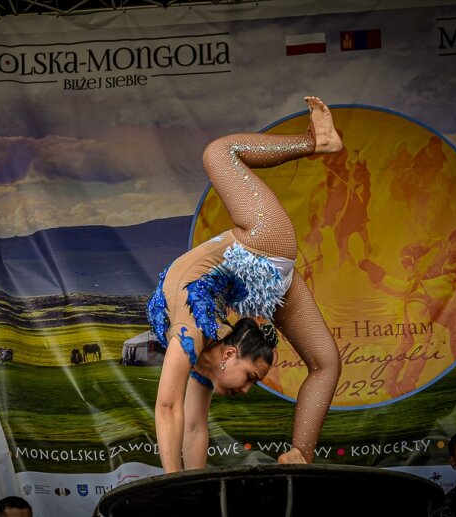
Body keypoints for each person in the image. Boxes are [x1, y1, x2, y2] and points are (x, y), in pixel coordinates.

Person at [147, 96, 343, 473]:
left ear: (230, 355)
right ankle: (300, 454)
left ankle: (316, 142)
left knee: (220, 152)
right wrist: (186, 492)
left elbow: (167, 407)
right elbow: (192, 426)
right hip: (264, 278)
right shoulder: (206, 358)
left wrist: (168, 485)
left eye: (252, 378)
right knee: (327, 363)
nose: (247, 389)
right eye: (252, 379)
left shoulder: (190, 335)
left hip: (261, 243)